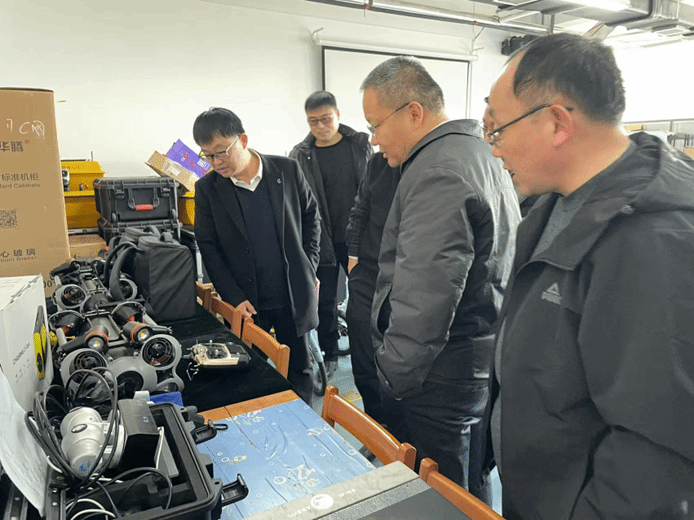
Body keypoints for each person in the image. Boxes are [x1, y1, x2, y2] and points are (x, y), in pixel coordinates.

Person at [484, 33, 694, 519]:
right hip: (540, 490)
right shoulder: (555, 204)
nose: (495, 150)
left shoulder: (653, 239)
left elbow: (655, 452)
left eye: (499, 131)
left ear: (557, 123)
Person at [361, 56, 520, 502]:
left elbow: (425, 298)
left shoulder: (437, 171)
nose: (373, 139)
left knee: (442, 492)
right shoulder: (477, 151)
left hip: (439, 370)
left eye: (376, 125)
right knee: (469, 478)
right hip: (478, 352)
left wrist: (393, 374)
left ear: (413, 112)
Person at [192, 107, 320, 405]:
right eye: (207, 156)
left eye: (221, 152)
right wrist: (234, 297)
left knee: (301, 370)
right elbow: (208, 246)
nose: (216, 162)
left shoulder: (286, 170)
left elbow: (311, 217)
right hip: (247, 300)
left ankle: (304, 424)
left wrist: (309, 266)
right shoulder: (208, 189)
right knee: (249, 372)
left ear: (243, 140)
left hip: (291, 291)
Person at [289, 91, 372, 378]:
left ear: (337, 115)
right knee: (324, 301)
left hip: (358, 238)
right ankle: (330, 352)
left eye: (326, 119)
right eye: (313, 122)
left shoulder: (360, 145)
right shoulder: (300, 154)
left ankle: (368, 351)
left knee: (363, 297)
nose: (320, 126)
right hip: (321, 239)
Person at [345, 152, 400, 426]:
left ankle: (397, 436)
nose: (375, 140)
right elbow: (360, 210)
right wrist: (353, 257)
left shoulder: (432, 163)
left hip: (407, 277)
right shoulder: (378, 163)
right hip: (368, 271)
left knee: (397, 361)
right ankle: (376, 428)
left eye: (377, 130)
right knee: (363, 356)